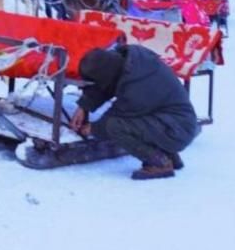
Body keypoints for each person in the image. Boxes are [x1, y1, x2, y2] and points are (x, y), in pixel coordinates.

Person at [68, 44, 200, 180]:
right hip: (176, 122)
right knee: (130, 123)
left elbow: (114, 118)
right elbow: (109, 84)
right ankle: (168, 154)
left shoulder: (135, 87)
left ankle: (159, 162)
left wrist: (92, 129)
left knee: (114, 126)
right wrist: (84, 106)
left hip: (178, 129)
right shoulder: (130, 64)